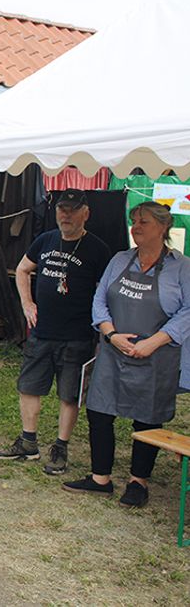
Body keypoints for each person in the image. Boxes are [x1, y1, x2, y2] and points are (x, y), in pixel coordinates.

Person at [63, 201, 190, 508]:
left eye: (144, 221)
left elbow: (188, 311)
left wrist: (154, 342)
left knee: (147, 418)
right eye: (134, 221)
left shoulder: (182, 267)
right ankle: (100, 479)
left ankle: (138, 482)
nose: (136, 227)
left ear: (163, 227)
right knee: (99, 411)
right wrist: (111, 334)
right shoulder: (120, 259)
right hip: (113, 351)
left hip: (156, 356)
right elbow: (99, 300)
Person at [0, 189, 110, 474]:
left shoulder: (97, 249)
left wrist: (101, 329)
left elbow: (105, 292)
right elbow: (22, 270)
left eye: (72, 209)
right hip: (42, 331)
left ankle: (60, 447)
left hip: (78, 335)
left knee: (69, 394)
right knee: (29, 387)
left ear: (85, 213)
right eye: (61, 209)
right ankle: (28, 442)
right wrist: (27, 303)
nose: (66, 215)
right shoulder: (45, 240)